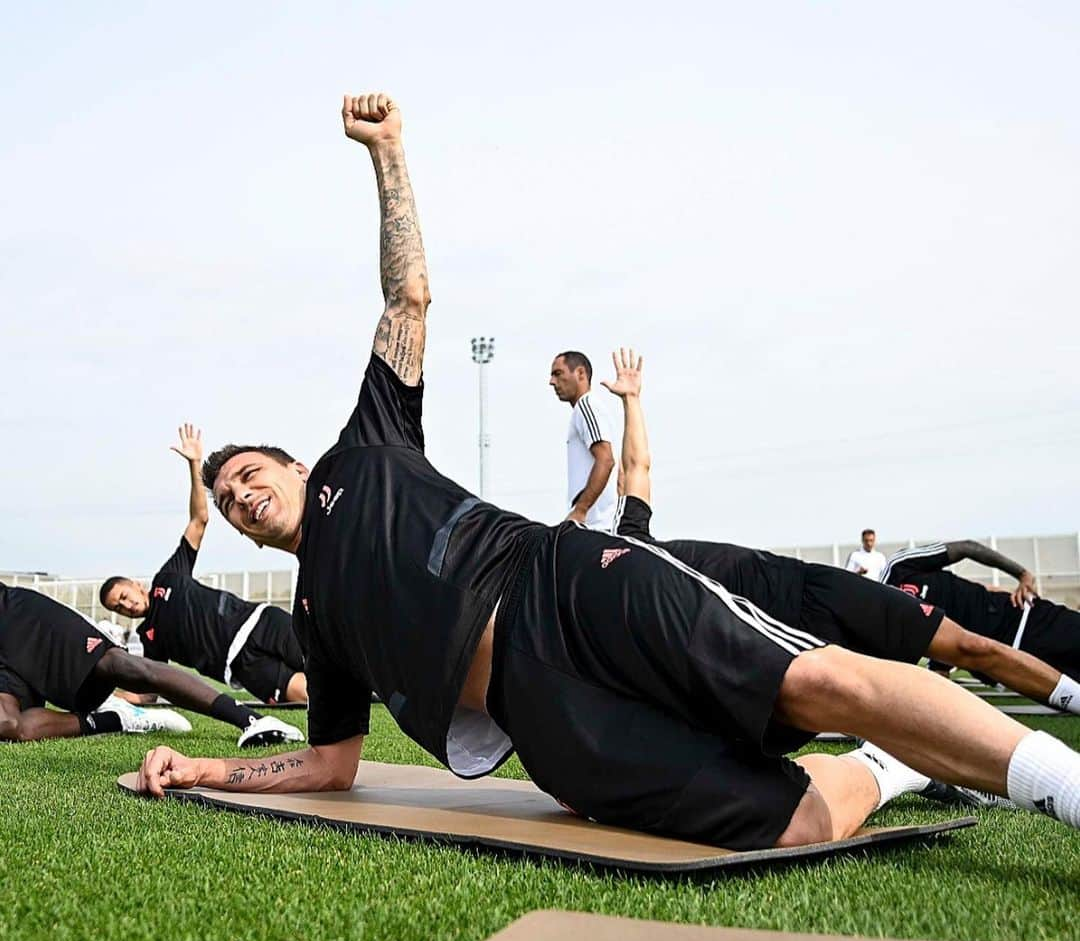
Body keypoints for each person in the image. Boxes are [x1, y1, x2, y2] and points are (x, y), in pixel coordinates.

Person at [134, 92, 1080, 851]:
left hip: (564, 585)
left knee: (808, 683)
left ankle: (1061, 784)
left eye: (249, 473)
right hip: (539, 719)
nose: (241, 495)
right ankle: (889, 767)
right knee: (787, 823)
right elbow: (331, 764)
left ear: (294, 464)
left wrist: (386, 155)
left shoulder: (366, 446)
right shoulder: (314, 614)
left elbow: (409, 297)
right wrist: (206, 770)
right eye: (226, 500)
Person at [601, 349, 1080, 720]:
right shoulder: (631, 623)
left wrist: (632, 401)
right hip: (787, 647)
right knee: (887, 705)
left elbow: (636, 466)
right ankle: (928, 770)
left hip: (815, 590)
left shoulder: (631, 539)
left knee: (969, 648)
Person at [100, 424, 306, 746]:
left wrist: (194, 464)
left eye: (124, 595)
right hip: (240, 666)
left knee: (329, 661)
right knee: (309, 695)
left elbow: (199, 520)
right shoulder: (149, 639)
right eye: (118, 607)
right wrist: (108, 697)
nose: (125, 605)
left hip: (259, 622)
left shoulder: (168, 577)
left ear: (137, 586)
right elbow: (151, 691)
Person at [0, 584, 275, 742]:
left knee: (116, 665)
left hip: (15, 614)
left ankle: (249, 719)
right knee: (8, 726)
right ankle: (113, 720)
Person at [881, 542, 1080, 697]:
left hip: (1022, 619)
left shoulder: (899, 567)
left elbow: (967, 547)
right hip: (1009, 668)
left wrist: (1022, 574)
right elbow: (941, 658)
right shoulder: (888, 633)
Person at [548, 351, 619, 529]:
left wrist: (580, 510)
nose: (552, 382)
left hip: (596, 526)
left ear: (580, 373)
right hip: (601, 525)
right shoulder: (590, 409)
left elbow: (606, 460)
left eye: (558, 374)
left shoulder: (586, 407)